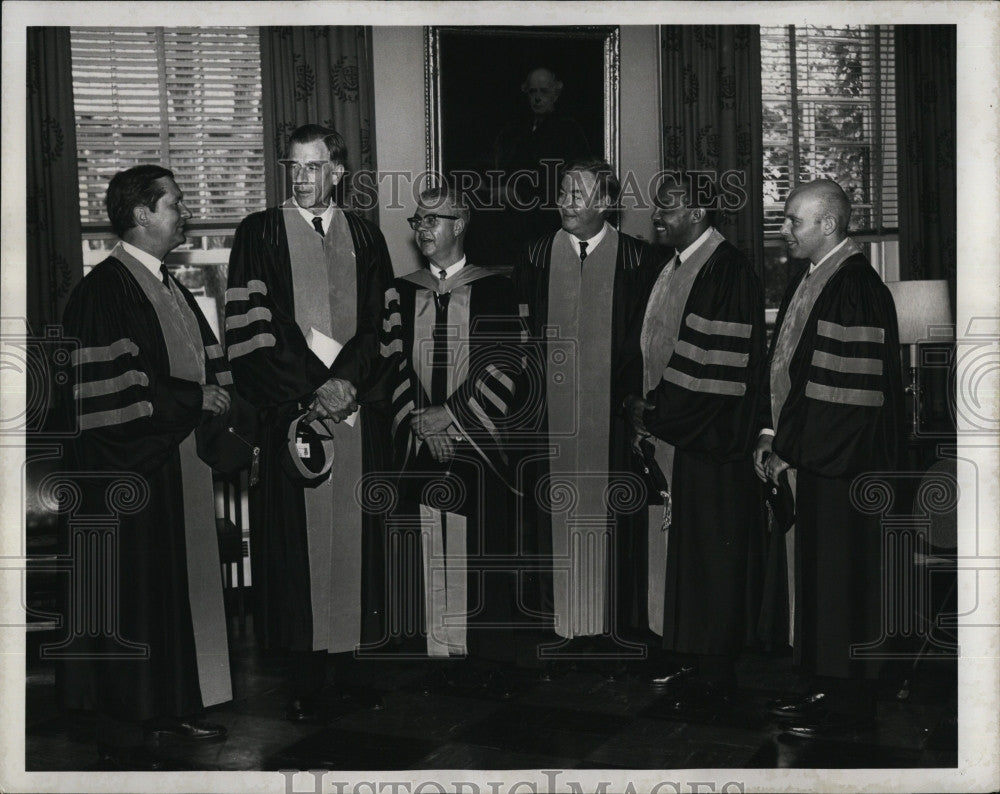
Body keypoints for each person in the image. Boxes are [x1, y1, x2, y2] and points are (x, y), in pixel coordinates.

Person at [58, 165, 233, 769]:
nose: (185, 213)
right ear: (141, 214)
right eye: (175, 204)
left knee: (171, 591)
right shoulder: (103, 290)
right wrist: (192, 401)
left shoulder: (168, 282)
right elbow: (112, 392)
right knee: (132, 596)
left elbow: (207, 363)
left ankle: (170, 706)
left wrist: (221, 406)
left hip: (173, 463)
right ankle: (125, 730)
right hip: (125, 475)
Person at [224, 124, 393, 723]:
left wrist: (348, 382)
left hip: (352, 416)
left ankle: (345, 673)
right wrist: (314, 386)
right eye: (292, 166)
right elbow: (253, 324)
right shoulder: (259, 232)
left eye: (314, 166)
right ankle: (304, 680)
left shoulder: (368, 238)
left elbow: (381, 325)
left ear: (338, 171)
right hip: (291, 414)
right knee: (296, 551)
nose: (301, 177)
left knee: (353, 544)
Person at [754, 179, 903, 736]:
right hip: (821, 459)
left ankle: (849, 706)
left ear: (830, 225)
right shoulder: (817, 277)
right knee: (823, 580)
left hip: (846, 465)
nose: (785, 228)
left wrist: (789, 449)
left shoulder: (855, 289)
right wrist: (775, 438)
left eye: (794, 220)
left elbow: (846, 394)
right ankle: (823, 685)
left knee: (845, 582)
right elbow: (794, 372)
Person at [512, 158, 663, 669]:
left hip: (614, 419)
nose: (566, 201)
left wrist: (634, 403)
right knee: (555, 511)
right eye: (563, 191)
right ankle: (561, 622)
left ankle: (611, 625)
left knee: (610, 514)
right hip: (550, 418)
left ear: (606, 203)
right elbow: (524, 338)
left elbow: (647, 344)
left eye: (578, 193)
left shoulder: (639, 260)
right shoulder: (536, 252)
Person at [374, 186, 527, 690]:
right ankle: (428, 654)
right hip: (419, 441)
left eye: (434, 219)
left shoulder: (497, 288)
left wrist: (453, 418)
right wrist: (422, 420)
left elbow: (507, 364)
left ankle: (481, 659)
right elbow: (390, 362)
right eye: (418, 219)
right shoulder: (399, 290)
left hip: (476, 443)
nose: (422, 228)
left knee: (479, 544)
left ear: (460, 225)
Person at [624, 172, 767, 707]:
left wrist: (653, 409)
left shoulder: (725, 270)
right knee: (682, 549)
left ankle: (715, 668)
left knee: (711, 550)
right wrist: (643, 408)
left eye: (668, 206)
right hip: (677, 430)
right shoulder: (676, 265)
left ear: (700, 212)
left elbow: (711, 364)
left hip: (710, 436)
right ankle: (683, 651)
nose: (657, 214)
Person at [472, 67, 591, 267]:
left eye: (543, 91)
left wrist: (518, 195)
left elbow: (575, 182)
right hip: (513, 225)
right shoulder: (517, 130)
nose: (537, 98)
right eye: (532, 92)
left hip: (549, 223)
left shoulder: (569, 130)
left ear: (556, 93)